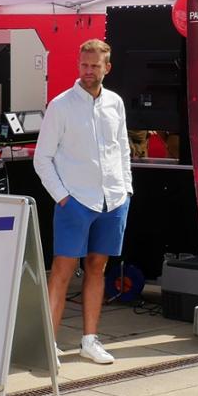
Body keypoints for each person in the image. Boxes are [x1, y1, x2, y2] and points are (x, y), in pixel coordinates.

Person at [33, 39, 132, 365]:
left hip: (113, 201)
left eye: (94, 66)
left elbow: (122, 149)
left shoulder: (116, 103)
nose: (88, 71)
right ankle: (48, 345)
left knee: (97, 268)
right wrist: (63, 198)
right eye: (84, 65)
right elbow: (42, 158)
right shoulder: (60, 106)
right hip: (75, 202)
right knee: (62, 270)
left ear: (107, 67)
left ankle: (90, 340)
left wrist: (126, 190)